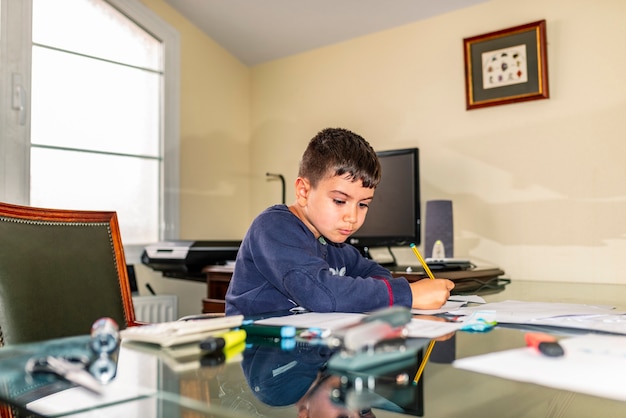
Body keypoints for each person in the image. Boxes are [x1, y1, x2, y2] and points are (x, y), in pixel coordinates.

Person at [225, 127, 454, 316]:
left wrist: (366, 292)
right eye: (339, 201)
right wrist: (409, 294)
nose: (352, 217)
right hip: (263, 354)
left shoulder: (334, 245)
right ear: (303, 191)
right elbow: (321, 294)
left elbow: (374, 272)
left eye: (363, 204)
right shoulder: (274, 228)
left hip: (311, 353)